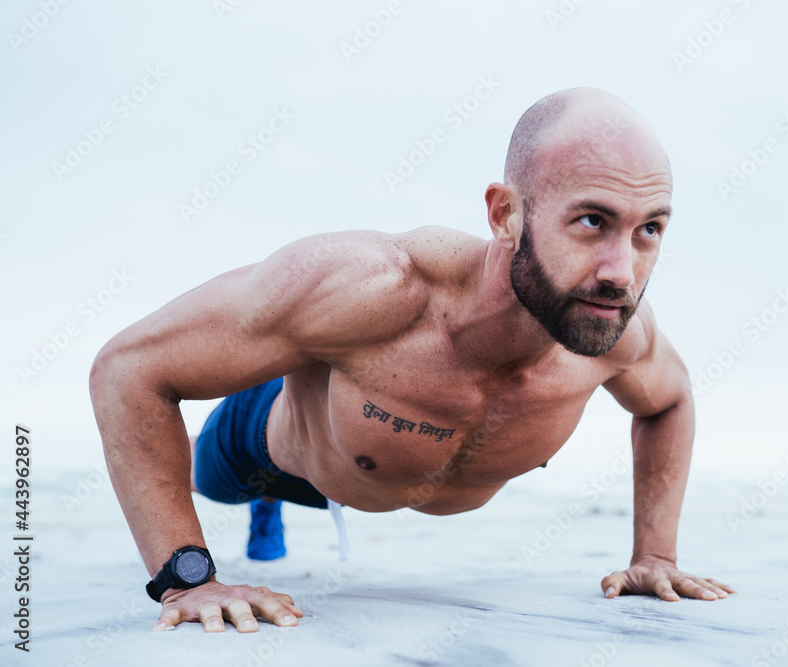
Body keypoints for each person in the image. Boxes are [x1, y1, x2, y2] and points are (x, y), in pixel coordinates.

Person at [90, 87, 736, 634]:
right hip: (272, 444)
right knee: (208, 477)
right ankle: (265, 500)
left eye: (649, 229)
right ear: (505, 214)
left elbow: (670, 400)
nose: (622, 273)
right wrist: (186, 580)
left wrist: (655, 554)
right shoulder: (367, 290)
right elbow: (128, 370)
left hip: (365, 462)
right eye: (593, 221)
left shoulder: (614, 333)